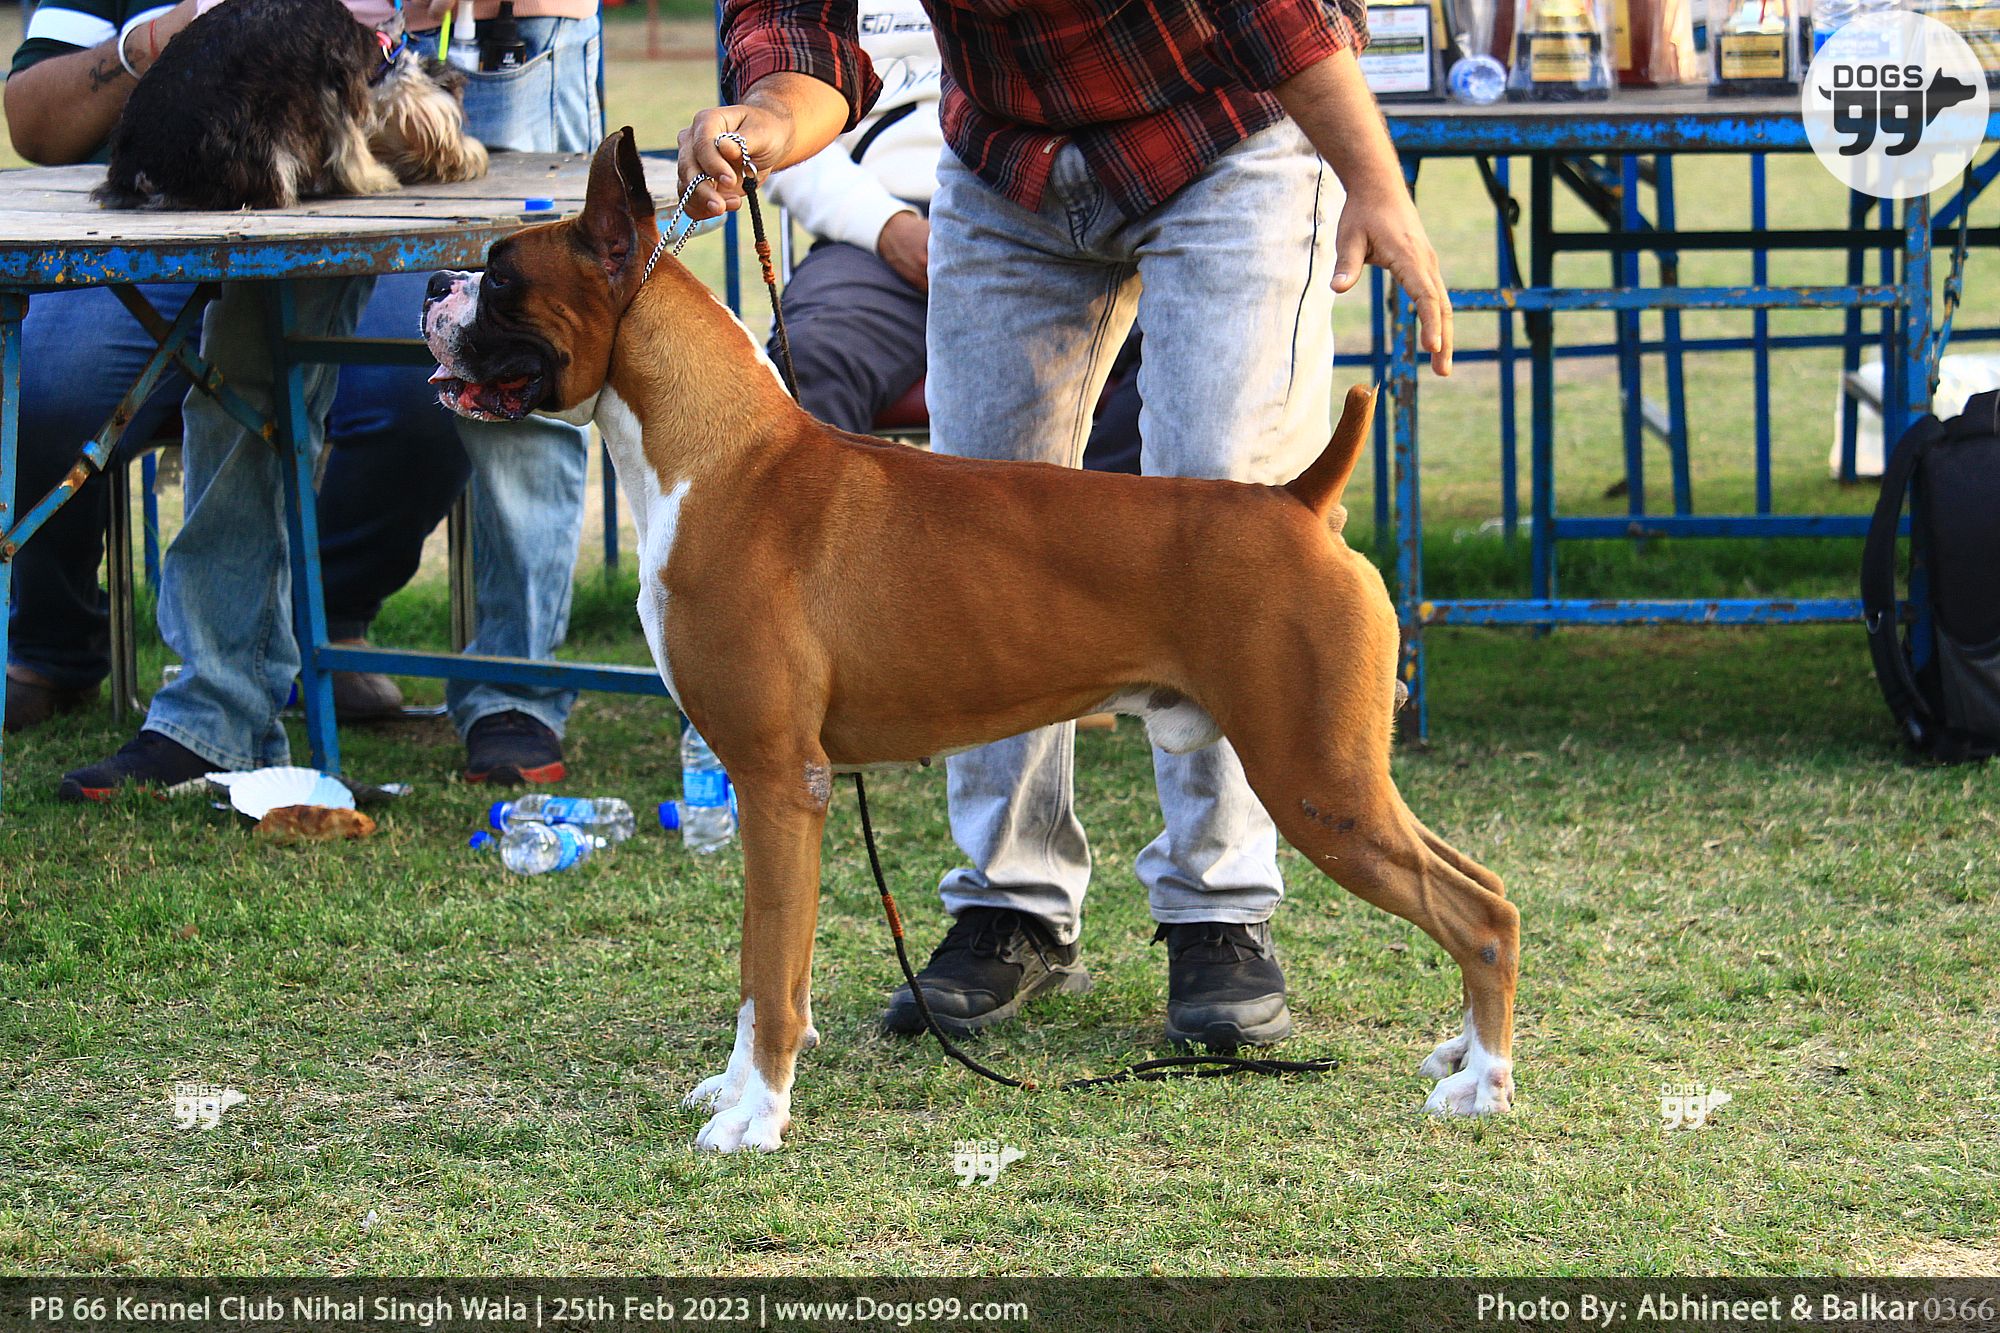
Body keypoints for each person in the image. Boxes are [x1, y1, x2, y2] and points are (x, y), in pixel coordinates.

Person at [680, 0, 1452, 1051]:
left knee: (1227, 528)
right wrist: (770, 114)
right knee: (969, 547)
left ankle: (1219, 908)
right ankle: (1011, 901)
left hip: (1222, 127)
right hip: (1010, 155)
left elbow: (1273, 13)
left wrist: (1373, 180)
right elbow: (796, 25)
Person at [4, 0, 606, 797]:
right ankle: (218, 710)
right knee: (246, 368)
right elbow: (33, 118)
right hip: (309, 54)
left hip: (504, 36)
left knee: (512, 346)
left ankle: (513, 690)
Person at [762, 0, 1141, 471]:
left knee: (1188, 353)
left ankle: (1085, 512)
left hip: (1053, 210)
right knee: (810, 360)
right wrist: (886, 226)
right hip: (878, 231)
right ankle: (836, 520)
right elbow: (785, 133)